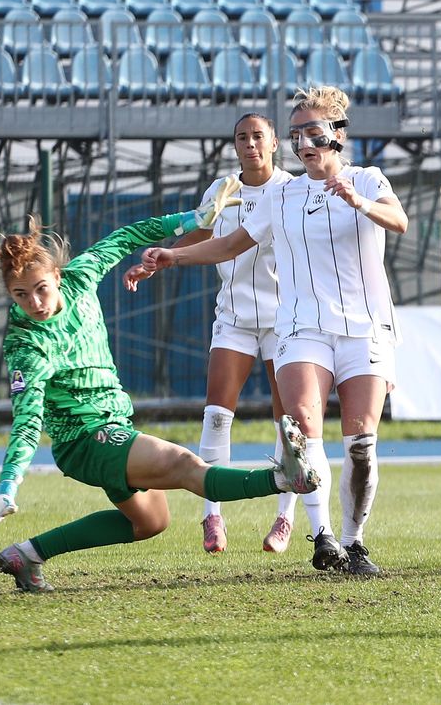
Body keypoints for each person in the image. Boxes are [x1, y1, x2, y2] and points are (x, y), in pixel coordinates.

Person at [0, 205, 321, 594]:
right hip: (84, 441)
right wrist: (7, 487)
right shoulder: (25, 345)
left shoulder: (80, 277)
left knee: (151, 523)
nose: (35, 303)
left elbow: (128, 236)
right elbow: (27, 420)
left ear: (56, 276)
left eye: (41, 289)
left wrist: (192, 219)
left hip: (113, 425)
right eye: (21, 295)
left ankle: (28, 554)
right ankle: (283, 478)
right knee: (186, 466)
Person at [141, 86, 408, 577]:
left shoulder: (368, 179)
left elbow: (399, 220)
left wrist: (359, 202)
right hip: (301, 328)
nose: (303, 141)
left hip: (365, 330)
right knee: (304, 428)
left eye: (313, 131)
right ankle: (323, 537)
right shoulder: (283, 194)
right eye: (296, 133)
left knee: (361, 444)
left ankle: (355, 543)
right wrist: (172, 256)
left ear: (336, 135)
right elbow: (230, 245)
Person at [123, 112, 299, 555]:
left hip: (285, 321)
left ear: (274, 142)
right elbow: (202, 233)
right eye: (242, 137)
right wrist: (156, 261)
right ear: (235, 145)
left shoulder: (292, 189)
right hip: (234, 320)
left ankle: (285, 515)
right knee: (217, 415)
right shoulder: (223, 189)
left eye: (258, 136)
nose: (251, 144)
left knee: (290, 422)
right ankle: (212, 516)